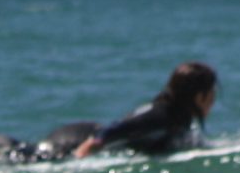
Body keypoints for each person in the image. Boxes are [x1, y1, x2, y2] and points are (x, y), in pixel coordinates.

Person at [70, 61, 219, 158]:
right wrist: (83, 154)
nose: (214, 99)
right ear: (200, 97)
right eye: (212, 92)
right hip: (73, 141)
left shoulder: (180, 118)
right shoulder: (160, 115)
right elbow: (115, 129)